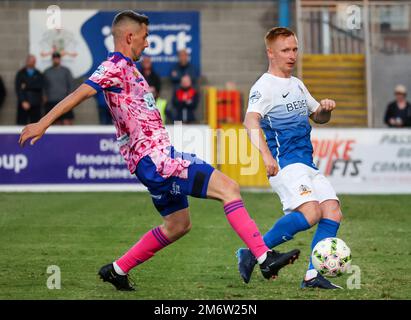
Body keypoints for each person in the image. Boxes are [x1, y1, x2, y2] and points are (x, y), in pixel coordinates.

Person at [19, 11, 300, 291]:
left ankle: (117, 270)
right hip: (157, 160)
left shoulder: (128, 68)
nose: (148, 43)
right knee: (229, 188)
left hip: (152, 161)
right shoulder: (114, 66)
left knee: (178, 224)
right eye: (145, 37)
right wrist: (43, 123)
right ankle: (264, 257)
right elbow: (80, 93)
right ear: (129, 37)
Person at [236, 27, 343, 289]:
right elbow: (250, 120)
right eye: (286, 50)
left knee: (333, 212)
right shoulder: (264, 86)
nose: (292, 55)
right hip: (285, 164)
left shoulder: (296, 84)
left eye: (295, 49)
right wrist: (266, 156)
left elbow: (317, 116)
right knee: (311, 212)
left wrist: (324, 109)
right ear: (270, 53)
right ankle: (252, 251)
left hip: (307, 163)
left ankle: (312, 276)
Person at [43, 52, 74, 125]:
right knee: (55, 121)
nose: (56, 60)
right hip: (51, 100)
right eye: (54, 59)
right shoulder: (47, 71)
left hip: (64, 100)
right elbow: (44, 86)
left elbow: (71, 84)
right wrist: (44, 96)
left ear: (60, 59)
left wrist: (70, 97)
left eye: (57, 58)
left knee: (67, 121)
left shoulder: (66, 71)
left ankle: (68, 136)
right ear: (52, 60)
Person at [14, 55, 44, 125]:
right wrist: (23, 101)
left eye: (33, 61)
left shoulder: (38, 73)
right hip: (24, 102)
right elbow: (18, 88)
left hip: (36, 102)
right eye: (30, 61)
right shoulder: (20, 73)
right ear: (27, 61)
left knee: (36, 124)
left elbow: (40, 86)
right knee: (22, 123)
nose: (32, 63)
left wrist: (26, 85)